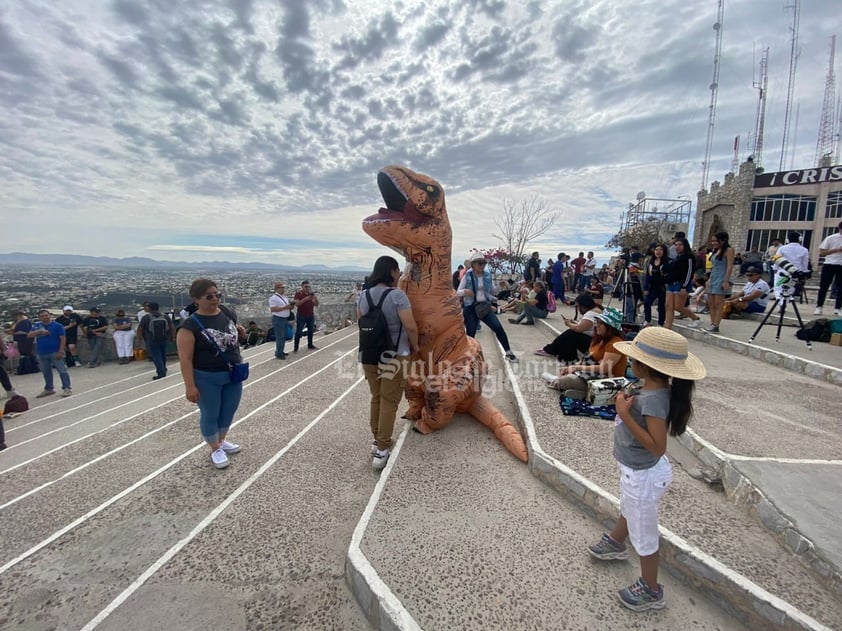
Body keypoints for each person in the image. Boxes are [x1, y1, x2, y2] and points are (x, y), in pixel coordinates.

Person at [588, 326, 705, 612]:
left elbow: (657, 446)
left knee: (644, 533)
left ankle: (651, 590)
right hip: (638, 471)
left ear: (645, 365)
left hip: (643, 472)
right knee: (631, 506)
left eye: (633, 359)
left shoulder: (653, 399)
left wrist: (624, 415)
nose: (629, 362)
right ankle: (616, 541)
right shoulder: (653, 388)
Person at [357, 256, 419, 470]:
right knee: (390, 401)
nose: (400, 273)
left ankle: (377, 440)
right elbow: (410, 327)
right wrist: (416, 347)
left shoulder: (363, 295)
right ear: (392, 271)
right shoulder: (397, 296)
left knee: (377, 397)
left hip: (369, 355)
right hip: (394, 355)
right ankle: (383, 449)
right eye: (398, 270)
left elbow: (361, 323)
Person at [177, 278, 246, 470]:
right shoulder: (189, 326)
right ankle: (215, 448)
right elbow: (185, 359)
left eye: (217, 294)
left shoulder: (226, 312)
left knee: (228, 410)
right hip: (206, 377)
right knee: (211, 414)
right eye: (209, 296)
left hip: (233, 373)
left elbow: (233, 331)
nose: (215, 299)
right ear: (196, 299)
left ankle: (221, 441)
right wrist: (190, 386)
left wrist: (239, 331)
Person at [542, 307, 627, 398]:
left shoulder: (615, 343)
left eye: (601, 323)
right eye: (597, 322)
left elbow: (604, 368)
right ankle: (565, 385)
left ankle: (559, 383)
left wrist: (577, 367)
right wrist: (572, 367)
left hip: (607, 380)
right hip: (594, 375)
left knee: (568, 380)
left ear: (610, 327)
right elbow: (586, 358)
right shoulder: (598, 339)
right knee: (566, 371)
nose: (597, 325)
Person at [457, 252, 518, 361]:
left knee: (498, 328)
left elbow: (492, 291)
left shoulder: (487, 275)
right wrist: (465, 292)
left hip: (485, 306)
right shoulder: (468, 275)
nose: (482, 265)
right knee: (470, 334)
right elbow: (458, 292)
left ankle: (508, 352)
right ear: (473, 264)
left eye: (483, 263)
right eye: (479, 263)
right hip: (470, 307)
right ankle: (466, 357)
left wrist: (500, 286)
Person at [535, 294, 602, 361]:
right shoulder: (596, 310)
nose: (578, 309)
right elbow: (587, 327)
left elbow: (579, 329)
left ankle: (553, 351)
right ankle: (552, 350)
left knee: (571, 334)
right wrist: (574, 324)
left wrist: (569, 324)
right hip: (596, 341)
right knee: (571, 334)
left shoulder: (591, 314)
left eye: (578, 306)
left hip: (595, 344)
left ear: (583, 305)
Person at [28, 309, 72, 398]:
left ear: (49, 316)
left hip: (55, 351)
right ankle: (49, 388)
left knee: (62, 371)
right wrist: (40, 331)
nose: (45, 317)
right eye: (42, 316)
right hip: (41, 352)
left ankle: (67, 388)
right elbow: (29, 335)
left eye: (46, 315)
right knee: (46, 372)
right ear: (39, 318)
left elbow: (63, 338)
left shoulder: (57, 326)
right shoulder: (37, 326)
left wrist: (61, 351)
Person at [663, 238, 701, 330]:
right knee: (668, 306)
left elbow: (689, 272)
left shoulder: (689, 257)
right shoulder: (676, 258)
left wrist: (684, 286)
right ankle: (667, 326)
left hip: (681, 284)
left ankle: (695, 318)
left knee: (678, 306)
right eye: (676, 245)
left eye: (680, 245)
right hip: (672, 284)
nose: (677, 247)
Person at [704, 231, 734, 333]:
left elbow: (729, 267)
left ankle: (716, 324)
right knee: (711, 303)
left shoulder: (729, 250)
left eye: (716, 241)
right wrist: (709, 279)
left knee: (718, 303)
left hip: (722, 278)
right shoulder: (715, 250)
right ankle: (712, 323)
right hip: (713, 277)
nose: (713, 243)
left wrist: (726, 281)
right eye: (712, 241)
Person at [137, 302, 176, 380]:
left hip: (152, 339)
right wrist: (173, 337)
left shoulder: (146, 317)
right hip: (164, 338)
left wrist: (139, 338)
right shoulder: (165, 316)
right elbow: (172, 327)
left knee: (156, 355)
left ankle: (161, 372)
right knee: (163, 354)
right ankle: (163, 368)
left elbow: (140, 329)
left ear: (150, 308)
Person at [814, 220, 842, 316]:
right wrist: (837, 250)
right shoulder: (831, 238)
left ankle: (838, 308)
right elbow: (822, 252)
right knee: (824, 287)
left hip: (841, 265)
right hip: (829, 264)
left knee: (841, 288)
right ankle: (819, 307)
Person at [773, 231, 810, 299]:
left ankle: (780, 304)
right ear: (800, 239)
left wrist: (775, 269)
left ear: (787, 240)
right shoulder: (804, 250)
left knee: (778, 287)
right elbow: (805, 264)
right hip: (794, 274)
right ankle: (784, 305)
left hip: (782, 273)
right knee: (790, 290)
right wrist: (803, 274)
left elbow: (776, 259)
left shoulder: (782, 248)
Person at [642, 244, 667, 326]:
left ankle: (661, 323)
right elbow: (648, 276)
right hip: (652, 287)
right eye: (656, 250)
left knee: (661, 306)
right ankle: (647, 320)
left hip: (663, 288)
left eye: (660, 250)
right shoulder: (651, 262)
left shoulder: (667, 262)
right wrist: (646, 287)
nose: (658, 252)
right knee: (647, 302)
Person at [269, 281, 293, 359]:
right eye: (281, 288)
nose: (283, 289)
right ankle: (279, 353)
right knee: (280, 336)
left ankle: (280, 351)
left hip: (284, 318)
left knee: (283, 336)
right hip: (278, 319)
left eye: (283, 288)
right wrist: (285, 307)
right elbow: (273, 309)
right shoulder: (274, 298)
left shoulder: (284, 297)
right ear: (276, 289)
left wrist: (290, 306)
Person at [293, 280, 319, 352]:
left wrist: (315, 299)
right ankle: (296, 347)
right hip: (301, 315)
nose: (308, 288)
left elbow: (317, 304)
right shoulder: (298, 294)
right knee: (299, 331)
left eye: (309, 287)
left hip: (310, 315)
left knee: (310, 331)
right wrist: (305, 299)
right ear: (302, 287)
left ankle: (310, 344)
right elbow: (297, 304)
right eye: (306, 287)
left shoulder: (311, 295)